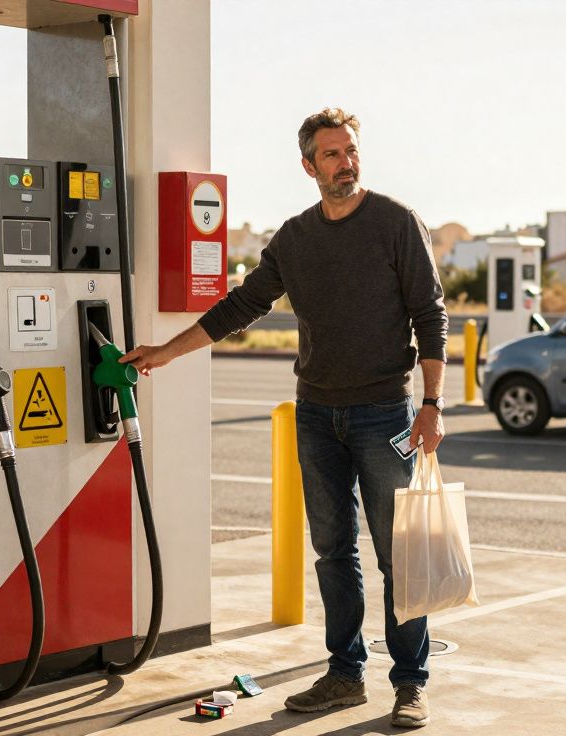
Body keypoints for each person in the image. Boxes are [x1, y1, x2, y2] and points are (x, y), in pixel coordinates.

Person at [121, 107, 448, 729]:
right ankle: (345, 675)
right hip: (317, 414)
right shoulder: (295, 238)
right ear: (308, 166)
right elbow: (240, 306)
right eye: (332, 154)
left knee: (397, 556)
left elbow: (430, 314)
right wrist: (164, 353)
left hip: (386, 413)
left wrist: (432, 404)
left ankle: (410, 683)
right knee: (332, 552)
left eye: (351, 150)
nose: (346, 163)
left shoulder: (396, 222)